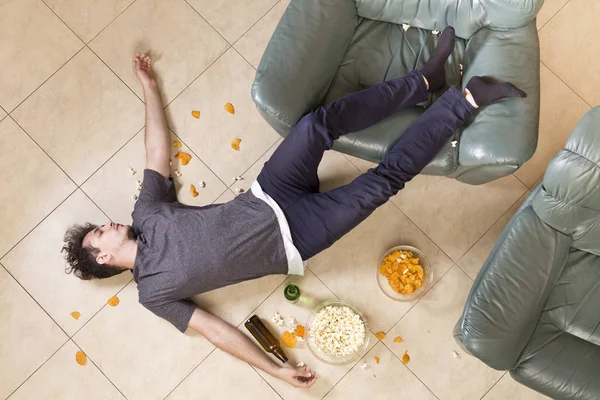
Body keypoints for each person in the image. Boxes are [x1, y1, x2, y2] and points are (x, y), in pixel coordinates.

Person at [62, 27, 525, 388]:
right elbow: (214, 330)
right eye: (99, 233)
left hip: (269, 193)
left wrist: (147, 85)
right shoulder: (154, 294)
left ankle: (423, 80)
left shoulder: (145, 213)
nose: (108, 223)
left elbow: (155, 154)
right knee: (384, 181)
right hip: (297, 238)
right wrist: (274, 369)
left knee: (314, 125)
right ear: (103, 258)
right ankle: (465, 101)